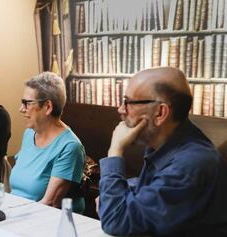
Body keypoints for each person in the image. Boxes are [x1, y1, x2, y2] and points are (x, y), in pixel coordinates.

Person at [97, 67, 227, 236]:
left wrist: (115, 150)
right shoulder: (167, 145)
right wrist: (120, 196)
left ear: (160, 113)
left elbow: (115, 221)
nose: (121, 110)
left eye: (128, 102)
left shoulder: (192, 163)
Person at [9, 72, 85, 213]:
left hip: (45, 222)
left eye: (27, 103)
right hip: (18, 213)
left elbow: (49, 204)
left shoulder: (70, 147)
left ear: (48, 107)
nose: (21, 109)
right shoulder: (29, 134)